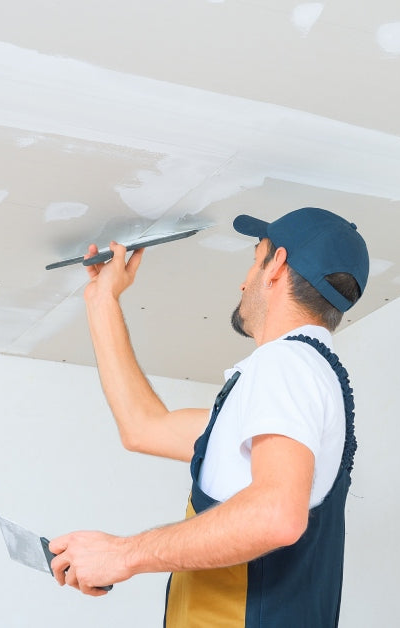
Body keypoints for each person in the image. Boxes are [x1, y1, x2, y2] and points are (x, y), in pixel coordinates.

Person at [49, 207, 369, 627]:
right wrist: (101, 299)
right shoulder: (299, 382)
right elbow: (144, 428)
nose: (244, 280)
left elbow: (276, 515)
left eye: (255, 260)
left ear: (277, 265)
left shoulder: (286, 365)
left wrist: (122, 556)